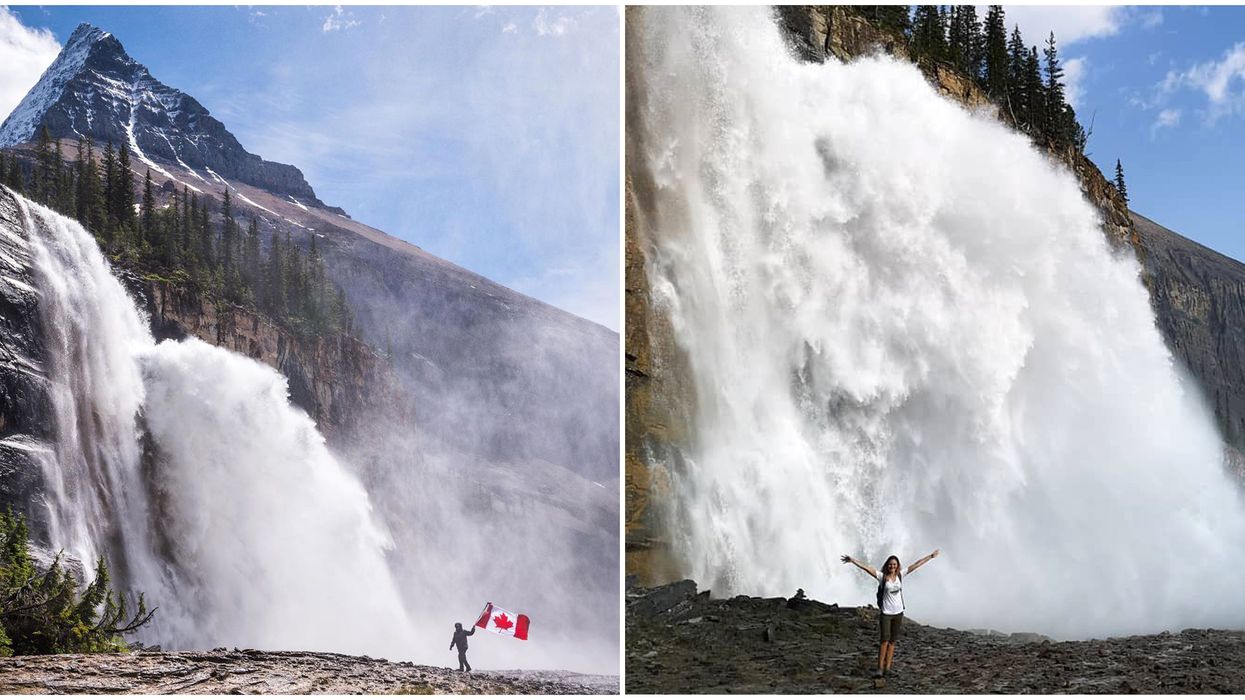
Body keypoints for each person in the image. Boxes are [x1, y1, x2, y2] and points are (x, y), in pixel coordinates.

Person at [841, 549, 940, 679]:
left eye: (894, 564)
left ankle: (888, 668)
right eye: (890, 564)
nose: (892, 566)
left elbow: (916, 565)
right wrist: (852, 560)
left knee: (892, 642)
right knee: (884, 641)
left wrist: (931, 556)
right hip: (886, 613)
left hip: (898, 613)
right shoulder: (882, 577)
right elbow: (867, 568)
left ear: (897, 565)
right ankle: (879, 669)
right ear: (887, 565)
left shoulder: (900, 575)